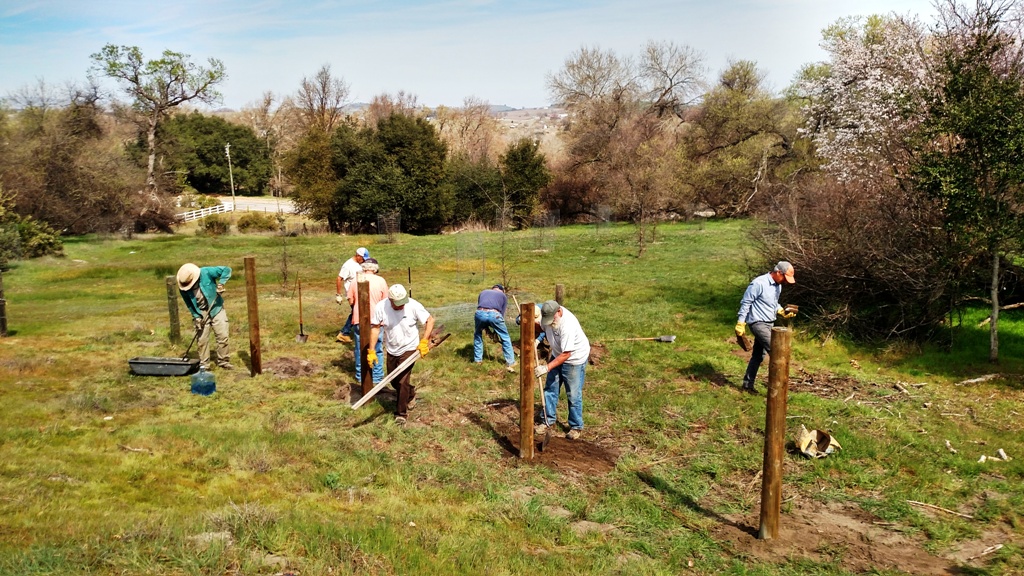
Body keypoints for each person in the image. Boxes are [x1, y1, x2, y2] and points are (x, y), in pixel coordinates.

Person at [368, 284, 434, 425]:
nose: (401, 306)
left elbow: (430, 320)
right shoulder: (381, 307)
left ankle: (401, 414)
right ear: (390, 300)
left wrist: (424, 341)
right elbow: (375, 328)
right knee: (394, 381)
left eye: (402, 303)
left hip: (410, 347)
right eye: (397, 304)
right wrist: (372, 350)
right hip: (392, 348)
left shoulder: (413, 305)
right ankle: (410, 393)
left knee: (402, 380)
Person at [735, 261, 798, 392]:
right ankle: (777, 388)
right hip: (757, 323)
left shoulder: (778, 286)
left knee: (758, 355)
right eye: (785, 278)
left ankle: (747, 385)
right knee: (776, 351)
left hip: (769, 323)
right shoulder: (759, 283)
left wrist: (781, 311)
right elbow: (746, 303)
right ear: (778, 272)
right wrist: (741, 323)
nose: (785, 282)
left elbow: (774, 303)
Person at [534, 300, 590, 440]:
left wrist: (546, 367)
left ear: (558, 311)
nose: (549, 322)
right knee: (550, 389)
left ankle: (576, 426)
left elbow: (567, 354)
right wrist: (534, 337)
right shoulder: (548, 315)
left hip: (574, 359)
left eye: (550, 319)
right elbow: (542, 327)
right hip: (557, 354)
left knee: (573, 394)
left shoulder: (567, 325)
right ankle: (547, 420)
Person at [177, 263, 234, 370]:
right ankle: (204, 364)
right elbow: (189, 304)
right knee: (202, 340)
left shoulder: (206, 272)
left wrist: (221, 284)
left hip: (216, 307)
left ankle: (223, 361)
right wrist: (196, 316)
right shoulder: (184, 288)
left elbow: (226, 269)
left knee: (222, 335)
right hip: (200, 312)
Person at [347, 257, 387, 384]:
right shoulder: (381, 281)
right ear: (375, 269)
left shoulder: (355, 280)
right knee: (377, 347)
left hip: (359, 319)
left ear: (363, 268)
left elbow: (351, 300)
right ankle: (377, 375)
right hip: (377, 320)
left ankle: (361, 375)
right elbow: (386, 301)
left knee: (360, 347)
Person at [473, 284, 516, 372]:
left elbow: (482, 309)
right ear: (502, 290)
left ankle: (477, 360)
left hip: (480, 313)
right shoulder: (503, 295)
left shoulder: (483, 292)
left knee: (477, 335)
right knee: (505, 337)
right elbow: (501, 314)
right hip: (494, 314)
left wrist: (489, 331)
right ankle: (511, 362)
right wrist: (496, 332)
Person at [336, 247, 370, 343]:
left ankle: (347, 332)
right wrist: (338, 294)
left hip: (361, 292)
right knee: (357, 313)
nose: (363, 261)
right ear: (358, 256)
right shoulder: (348, 266)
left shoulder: (360, 264)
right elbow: (339, 279)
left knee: (358, 312)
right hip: (352, 294)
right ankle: (344, 333)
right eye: (363, 258)